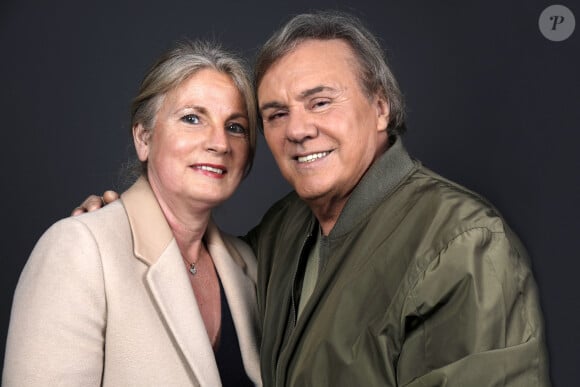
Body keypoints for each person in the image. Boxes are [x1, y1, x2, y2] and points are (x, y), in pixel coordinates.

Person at [68, 10, 552, 386]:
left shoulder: (463, 243)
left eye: (320, 102)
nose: (298, 129)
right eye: (275, 114)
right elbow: (194, 266)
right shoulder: (286, 227)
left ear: (380, 107)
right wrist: (121, 225)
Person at [3, 40, 262, 386]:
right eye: (192, 118)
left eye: (235, 126)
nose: (219, 143)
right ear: (143, 138)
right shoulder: (79, 250)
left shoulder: (248, 264)